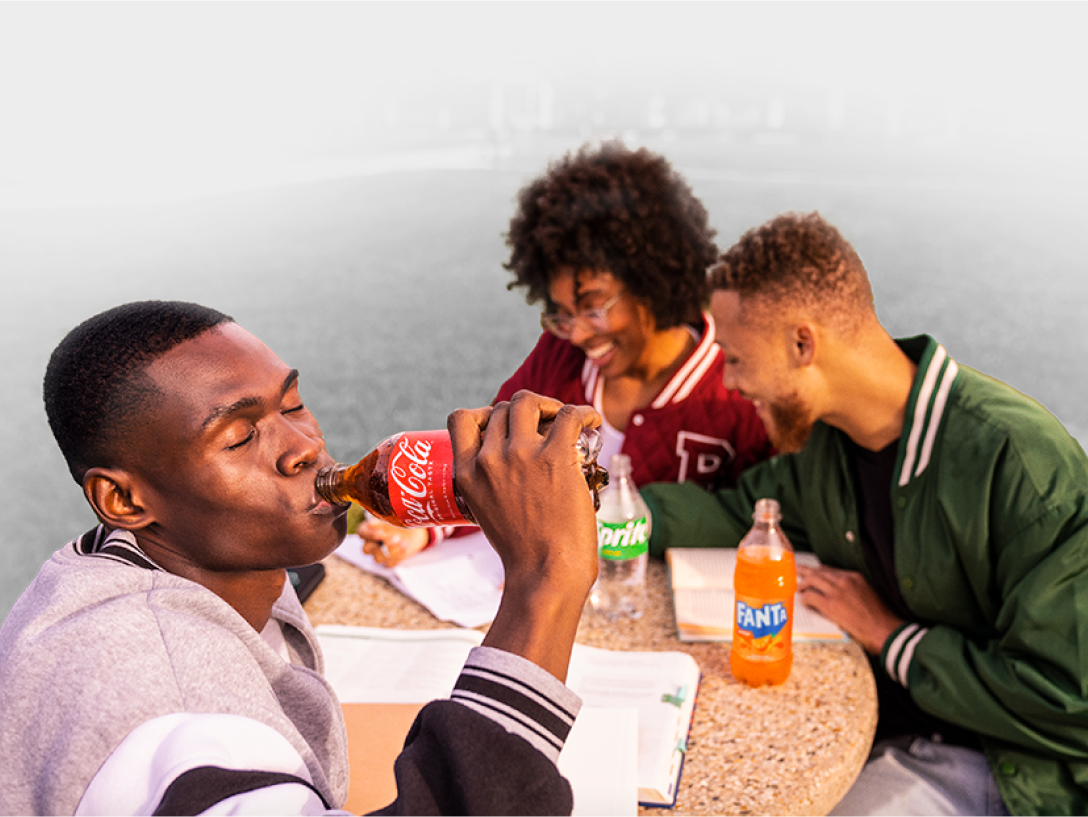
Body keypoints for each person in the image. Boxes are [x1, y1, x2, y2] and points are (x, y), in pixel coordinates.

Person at [0, 300, 603, 815]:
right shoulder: (173, 709)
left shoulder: (184, 562)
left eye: (291, 405)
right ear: (123, 498)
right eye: (239, 436)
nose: (303, 448)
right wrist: (545, 576)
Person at [639, 212, 1088, 816]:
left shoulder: (1018, 462)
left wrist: (892, 637)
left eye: (738, 359)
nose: (730, 382)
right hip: (874, 735)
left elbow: (1068, 694)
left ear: (804, 343)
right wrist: (592, 508)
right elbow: (739, 514)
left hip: (1003, 767)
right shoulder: (825, 445)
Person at [358, 140, 773, 565]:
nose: (576, 333)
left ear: (654, 280)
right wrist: (425, 530)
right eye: (561, 315)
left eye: (593, 308)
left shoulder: (736, 387)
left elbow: (766, 518)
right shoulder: (559, 357)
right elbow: (490, 460)